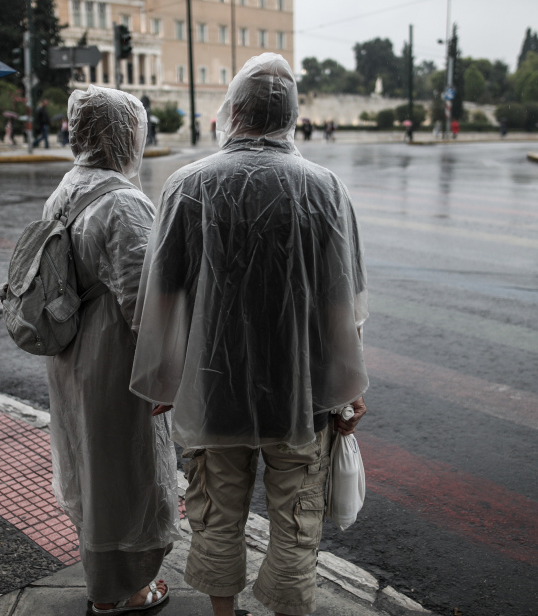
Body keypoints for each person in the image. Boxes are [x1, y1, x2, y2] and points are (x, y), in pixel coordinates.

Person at [131, 53, 369, 616]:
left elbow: (162, 295)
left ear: (233, 111)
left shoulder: (189, 186)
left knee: (215, 508)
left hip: (213, 386)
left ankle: (223, 613)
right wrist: (347, 386)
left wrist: (165, 380)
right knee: (296, 516)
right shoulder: (325, 188)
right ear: (291, 115)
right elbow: (342, 301)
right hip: (301, 388)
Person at [40, 85, 178, 615]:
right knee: (128, 474)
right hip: (116, 360)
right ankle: (123, 591)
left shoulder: (66, 189)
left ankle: (106, 584)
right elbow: (146, 302)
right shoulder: (124, 201)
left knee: (91, 468)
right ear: (125, 135)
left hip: (72, 354)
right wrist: (165, 376)